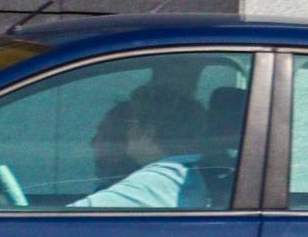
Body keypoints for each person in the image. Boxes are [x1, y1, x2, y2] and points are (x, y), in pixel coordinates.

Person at [70, 83, 210, 209]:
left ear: (148, 133)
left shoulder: (159, 179)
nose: (128, 133)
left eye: (131, 123)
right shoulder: (181, 174)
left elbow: (72, 217)